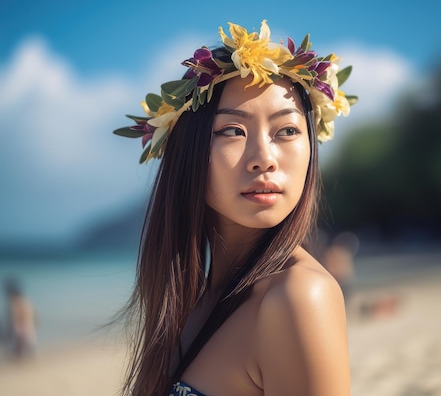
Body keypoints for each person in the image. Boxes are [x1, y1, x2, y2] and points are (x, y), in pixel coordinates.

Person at [114, 20, 357, 396]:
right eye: (232, 130)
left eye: (287, 131)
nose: (264, 159)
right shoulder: (197, 300)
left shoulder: (299, 297)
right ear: (189, 153)